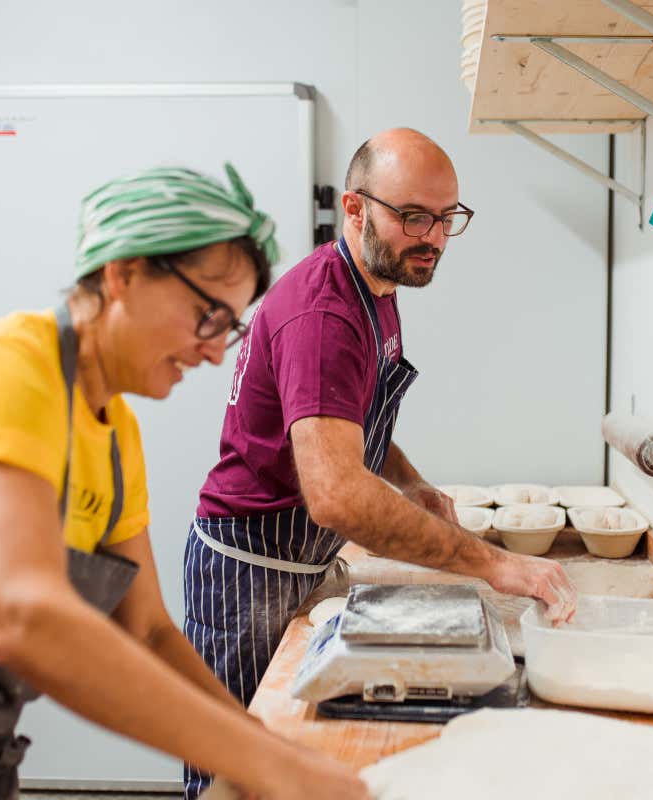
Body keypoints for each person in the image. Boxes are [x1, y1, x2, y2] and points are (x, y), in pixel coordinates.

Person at [0, 165, 368, 800]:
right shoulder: (0, 370)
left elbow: (148, 631)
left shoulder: (114, 430)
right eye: (208, 315)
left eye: (230, 327)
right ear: (123, 273)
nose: (216, 352)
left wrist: (263, 747)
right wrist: (268, 766)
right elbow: (25, 618)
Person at [182, 129, 577, 797]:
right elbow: (336, 494)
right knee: (232, 774)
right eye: (414, 216)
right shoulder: (325, 314)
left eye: (448, 217)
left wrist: (409, 481)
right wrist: (496, 565)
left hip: (299, 561)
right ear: (355, 208)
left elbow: (348, 418)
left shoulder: (376, 290)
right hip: (249, 575)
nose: (434, 238)